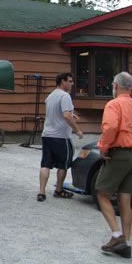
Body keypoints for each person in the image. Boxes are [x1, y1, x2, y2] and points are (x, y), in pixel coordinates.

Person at [96, 72, 132, 259]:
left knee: (102, 193)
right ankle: (126, 241)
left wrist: (103, 147)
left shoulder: (114, 104)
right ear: (131, 87)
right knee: (126, 200)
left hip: (119, 154)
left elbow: (110, 127)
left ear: (116, 86)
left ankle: (117, 236)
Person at [38, 72, 83, 202]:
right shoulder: (65, 96)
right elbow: (66, 116)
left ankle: (41, 193)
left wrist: (71, 114)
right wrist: (77, 130)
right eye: (70, 81)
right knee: (63, 164)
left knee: (45, 163)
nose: (72, 84)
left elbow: (58, 113)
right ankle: (59, 190)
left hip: (47, 135)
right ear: (62, 82)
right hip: (61, 137)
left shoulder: (50, 96)